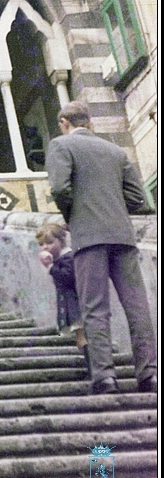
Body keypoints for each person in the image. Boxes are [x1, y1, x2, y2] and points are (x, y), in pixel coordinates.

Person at [46, 101, 158, 395]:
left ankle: (105, 377)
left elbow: (60, 188)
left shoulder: (61, 146)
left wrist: (74, 215)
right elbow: (137, 199)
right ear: (90, 123)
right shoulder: (116, 151)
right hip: (122, 236)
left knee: (95, 309)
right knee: (137, 307)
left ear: (64, 122)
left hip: (89, 238)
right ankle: (150, 375)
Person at [36, 222, 88, 378]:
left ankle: (93, 367)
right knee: (80, 337)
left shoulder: (68, 257)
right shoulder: (61, 258)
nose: (45, 247)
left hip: (75, 304)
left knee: (82, 337)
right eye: (42, 244)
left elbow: (68, 277)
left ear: (62, 240)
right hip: (69, 303)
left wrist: (51, 267)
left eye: (50, 242)